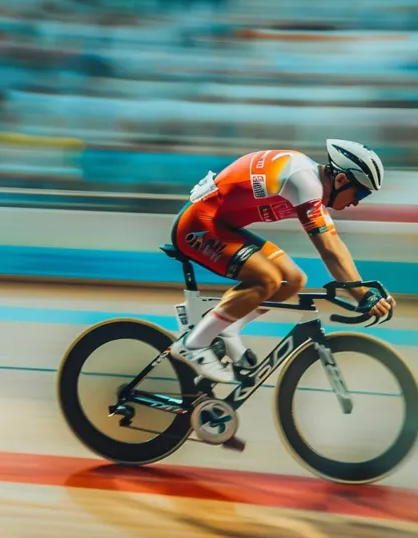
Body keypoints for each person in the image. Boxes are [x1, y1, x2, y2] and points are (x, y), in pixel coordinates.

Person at [168, 139, 396, 383]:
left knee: (293, 279)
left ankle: (226, 328)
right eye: (360, 192)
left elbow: (335, 245)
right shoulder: (304, 182)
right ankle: (194, 344)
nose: (357, 201)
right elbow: (329, 250)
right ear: (341, 179)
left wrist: (361, 289)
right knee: (267, 279)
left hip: (221, 225)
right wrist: (361, 294)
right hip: (199, 225)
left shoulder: (311, 183)